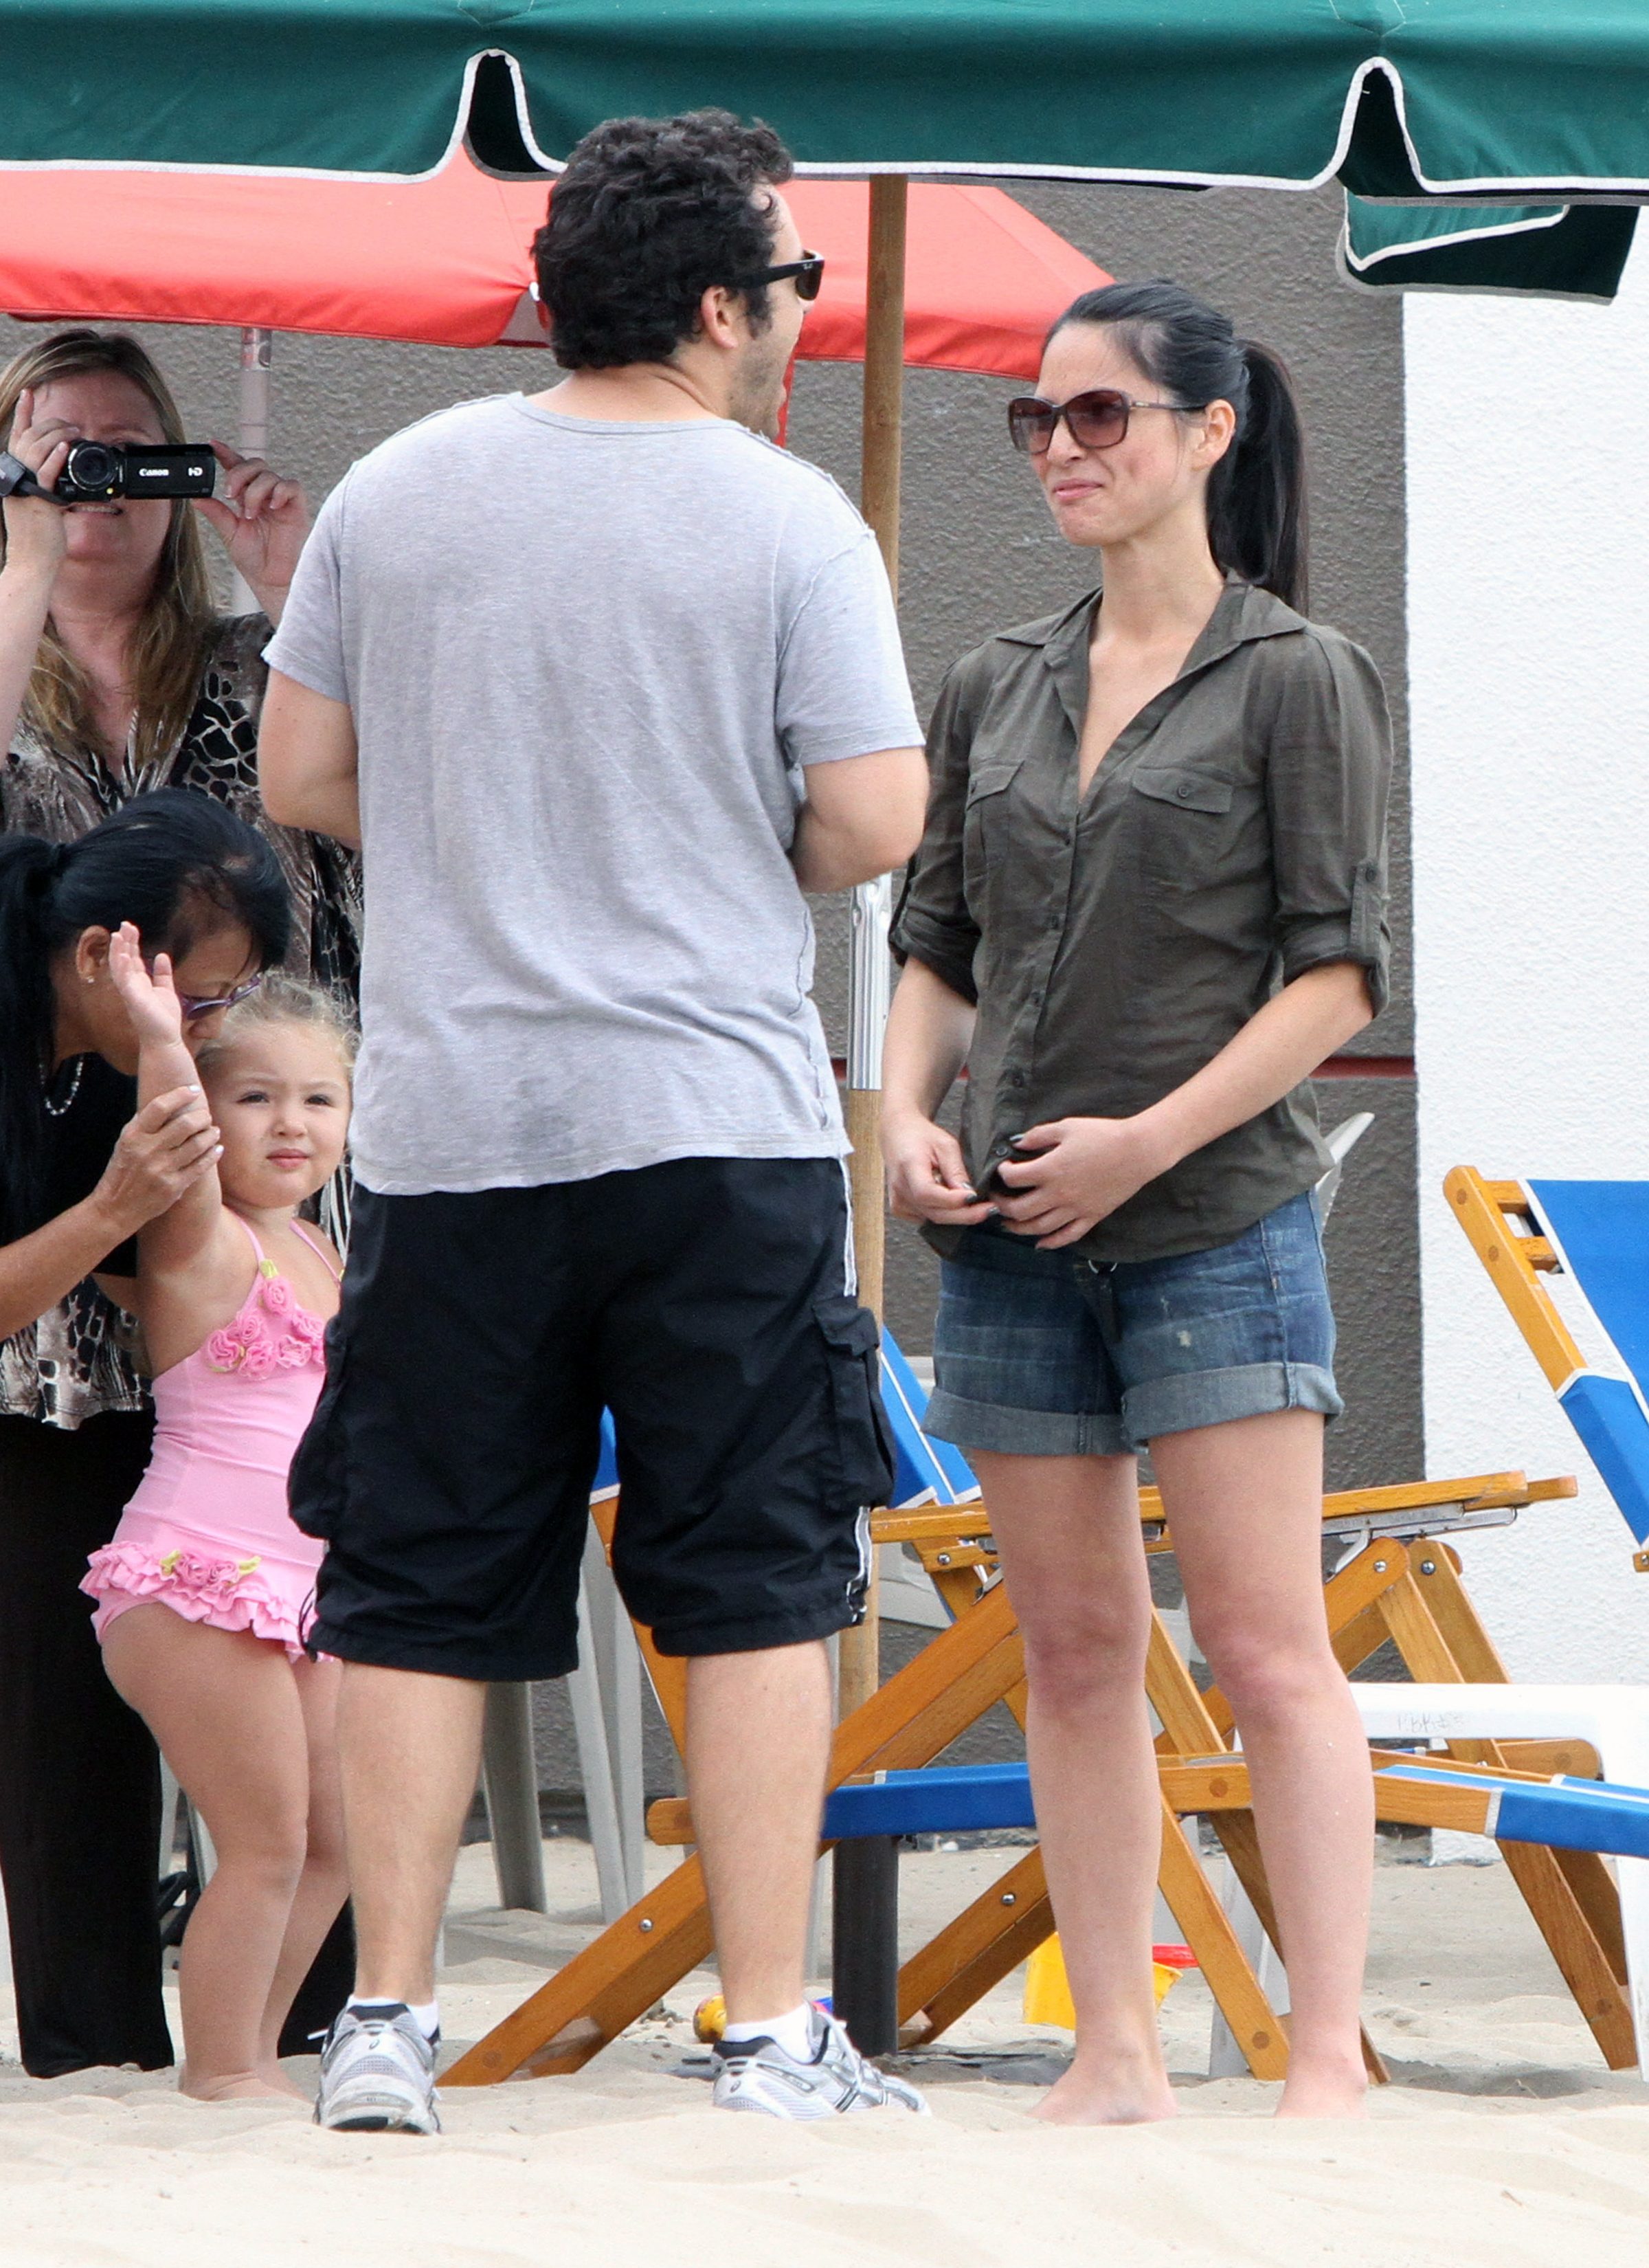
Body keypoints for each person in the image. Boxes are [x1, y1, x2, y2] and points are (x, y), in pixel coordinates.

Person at [258, 106, 929, 2135]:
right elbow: (872, 815)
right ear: (718, 304)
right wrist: (702, 844)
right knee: (754, 1576)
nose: (803, 305)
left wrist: (489, 840)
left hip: (456, 1124)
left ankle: (385, 2017)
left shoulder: (396, 487)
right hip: (713, 1116)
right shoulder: (788, 518)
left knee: (416, 1575)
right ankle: (766, 2025)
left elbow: (300, 773)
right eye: (793, 275)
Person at [884, 279, 1392, 2123]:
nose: (1059, 448)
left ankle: (1321, 2055)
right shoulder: (993, 678)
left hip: (1214, 1226)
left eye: (1098, 414)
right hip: (1011, 1238)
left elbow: (1336, 981)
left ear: (1207, 430)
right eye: (1038, 417)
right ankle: (1114, 2047)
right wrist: (901, 1109)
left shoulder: (1297, 674)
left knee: (1262, 1647)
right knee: (1078, 1649)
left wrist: (1145, 1141)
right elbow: (939, 941)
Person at [0, 788, 290, 2075]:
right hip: (27, 1399)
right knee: (54, 1714)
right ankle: (90, 2043)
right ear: (95, 956)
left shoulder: (129, 1047)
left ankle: (287, 2023)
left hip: (127, 1397)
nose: (212, 1028)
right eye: (205, 998)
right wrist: (116, 1207)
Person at [82, 950, 352, 2102]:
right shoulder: (201, 1240)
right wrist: (160, 1041)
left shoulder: (322, 1249)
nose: (290, 1122)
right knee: (268, 1840)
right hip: (195, 1579)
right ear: (208, 1113)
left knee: (337, 1844)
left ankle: (252, 2053)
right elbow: (178, 1148)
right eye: (255, 1097)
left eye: (319, 1098)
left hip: (301, 1593)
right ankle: (224, 2074)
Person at [0, 326, 358, 996]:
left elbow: (405, 796)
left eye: (127, 451)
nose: (94, 472)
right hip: (45, 1060)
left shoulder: (263, 664)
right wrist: (28, 564)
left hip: (265, 1056)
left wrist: (292, 588)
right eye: (57, 450)